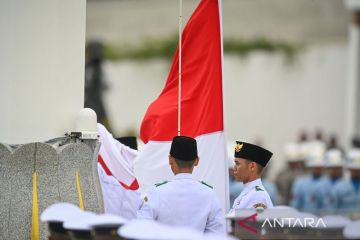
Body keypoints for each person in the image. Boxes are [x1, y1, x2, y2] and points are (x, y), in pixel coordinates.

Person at [137, 136, 224, 233]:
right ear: (197, 161)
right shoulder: (209, 194)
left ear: (170, 159)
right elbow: (216, 233)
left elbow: (142, 226)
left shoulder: (156, 191)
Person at [229, 141, 274, 212]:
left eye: (237, 164)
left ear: (252, 166)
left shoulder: (258, 196)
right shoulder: (250, 191)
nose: (234, 168)